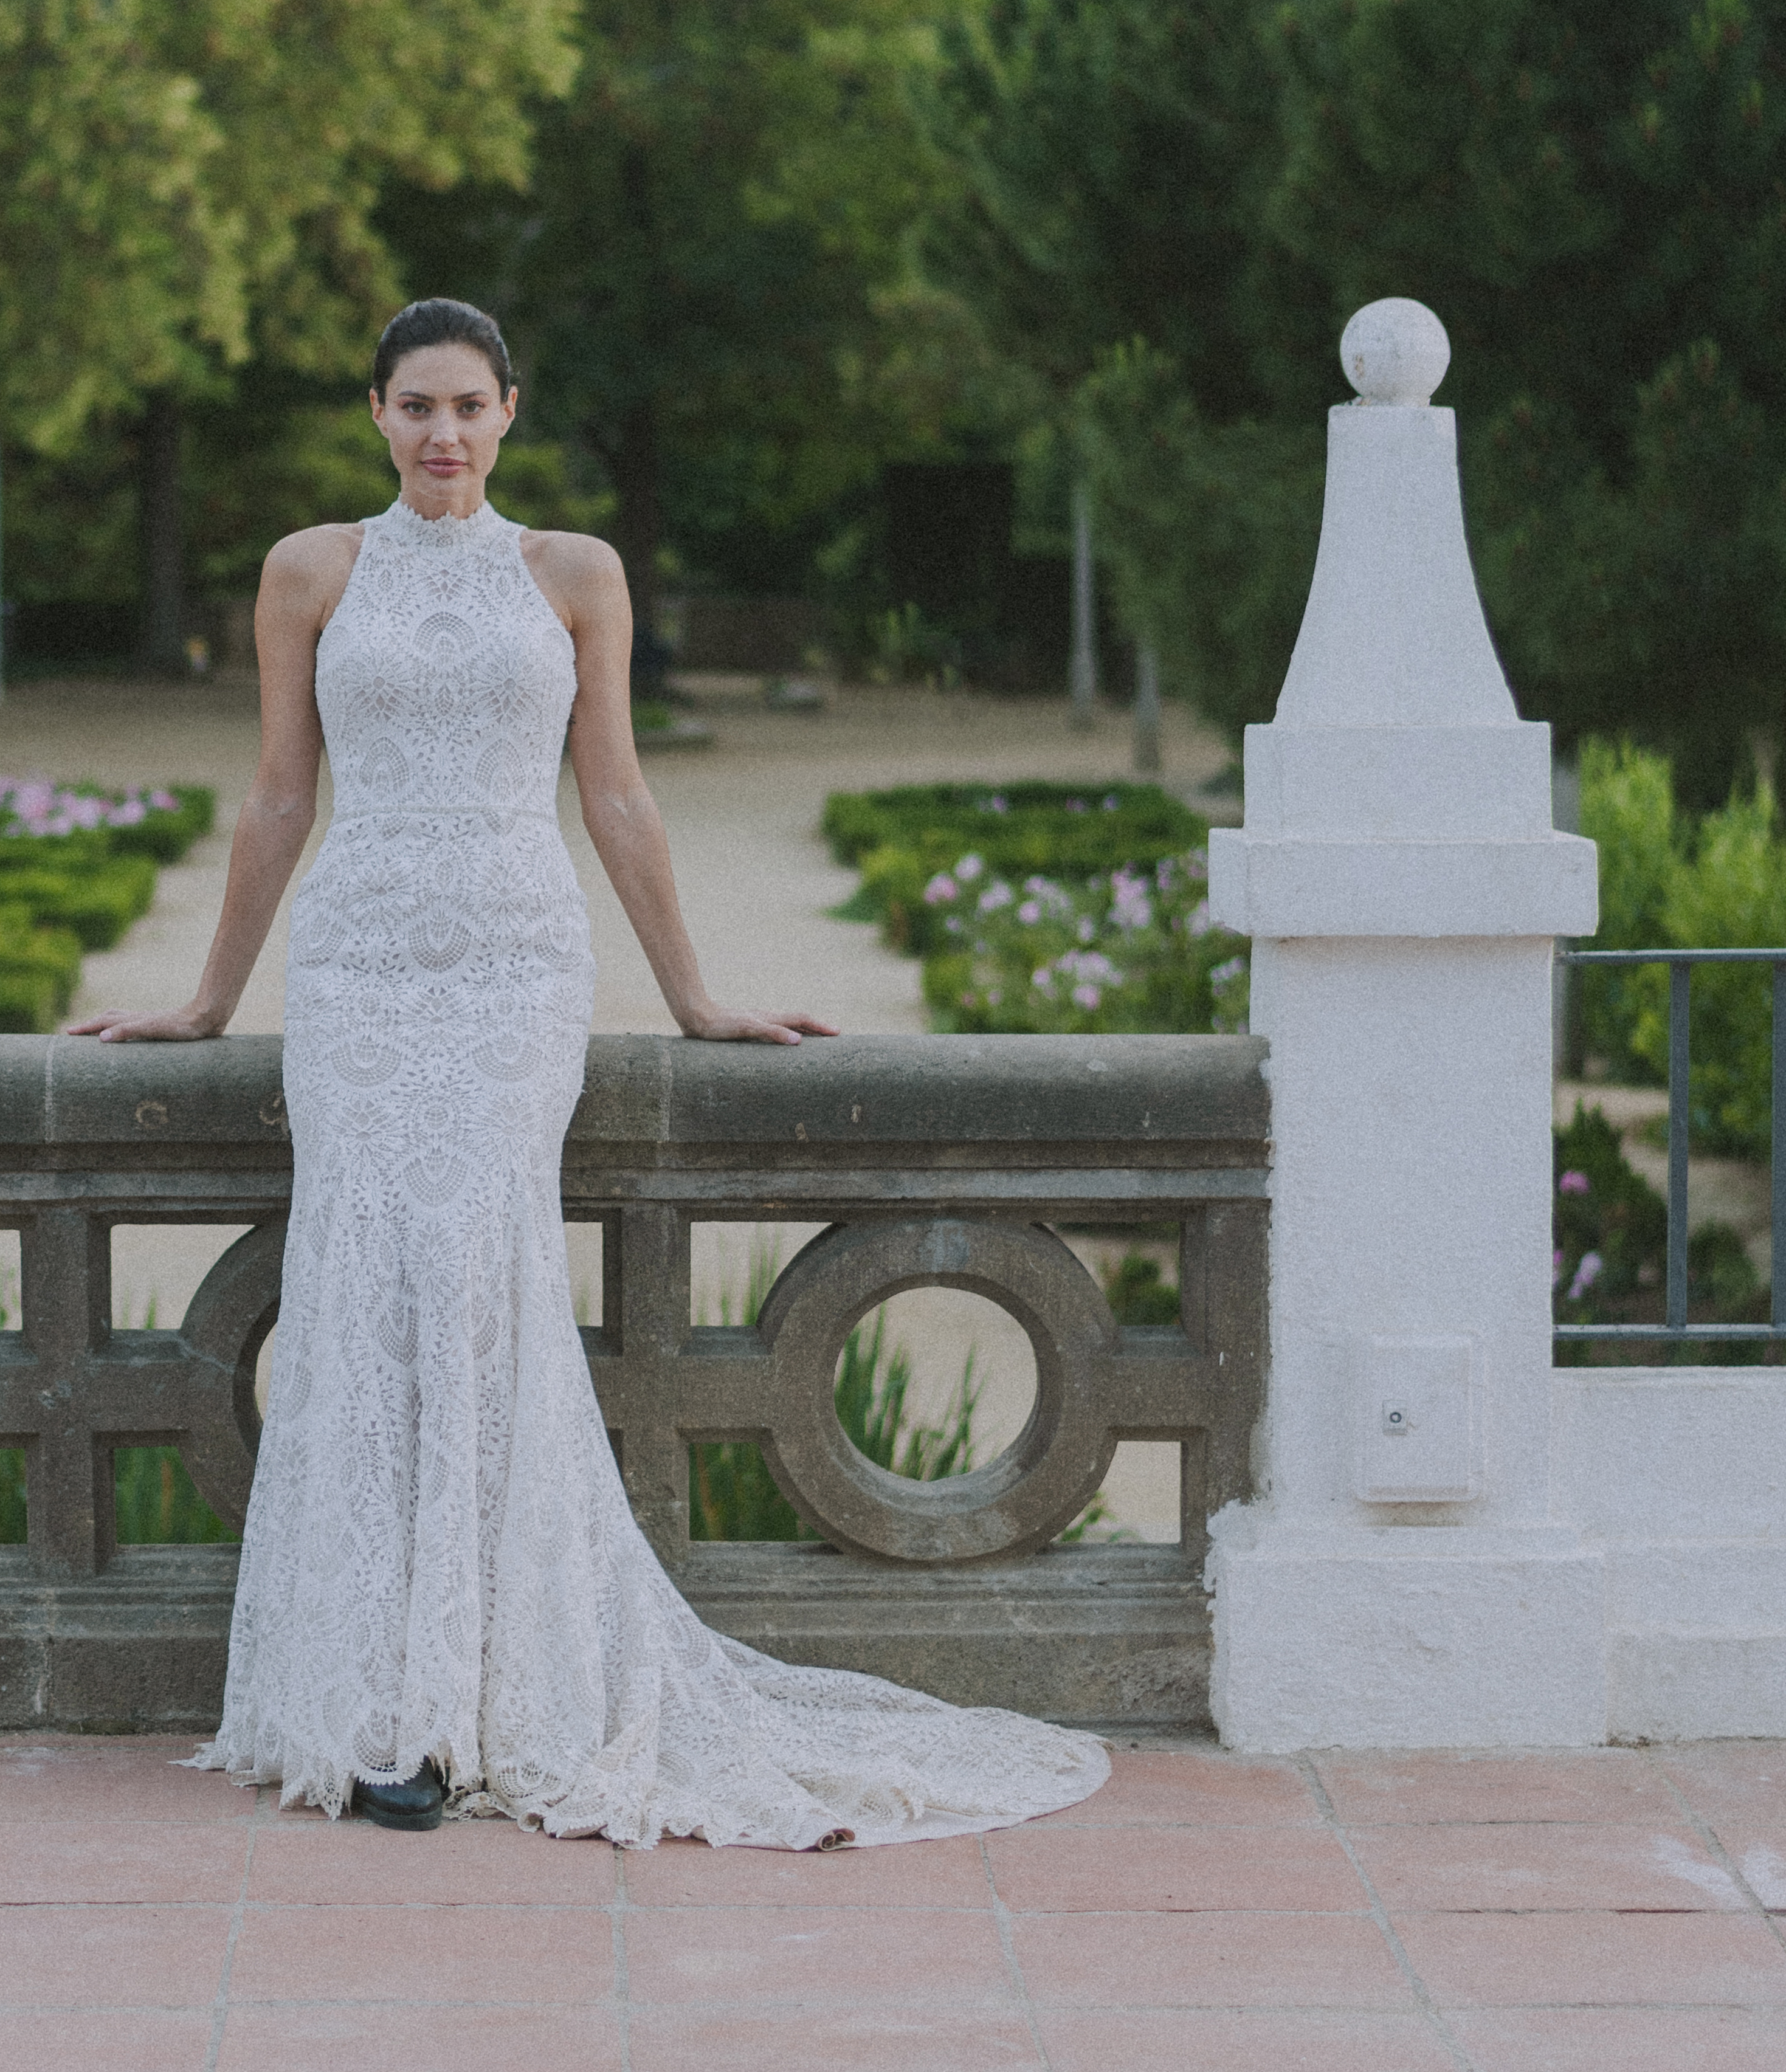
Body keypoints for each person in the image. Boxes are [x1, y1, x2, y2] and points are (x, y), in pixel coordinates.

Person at [71, 300, 1106, 1847]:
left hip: (508, 971)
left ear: (508, 414)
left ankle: (477, 1696)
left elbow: (614, 794)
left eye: (468, 407)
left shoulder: (574, 574)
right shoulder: (309, 571)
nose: (441, 434)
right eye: (414, 405)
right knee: (361, 1295)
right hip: (357, 971)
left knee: (481, 1295)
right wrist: (211, 999)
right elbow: (281, 796)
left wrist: (697, 997)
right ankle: (368, 1707)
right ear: (374, 413)